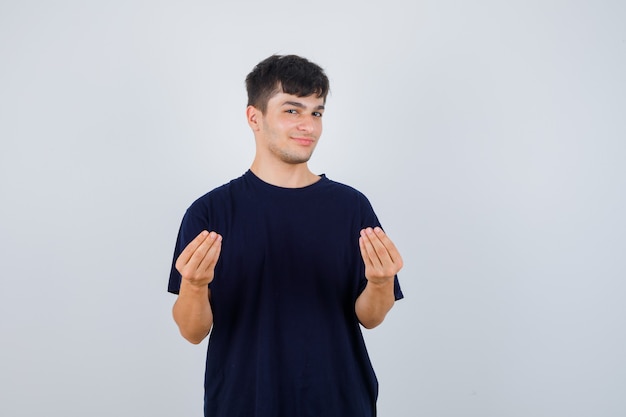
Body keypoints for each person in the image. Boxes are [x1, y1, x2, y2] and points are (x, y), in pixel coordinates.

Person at [168, 54, 404, 417]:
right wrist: (196, 286)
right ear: (254, 118)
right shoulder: (209, 213)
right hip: (244, 403)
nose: (308, 125)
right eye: (292, 110)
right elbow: (192, 331)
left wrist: (380, 281)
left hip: (340, 402)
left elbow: (370, 318)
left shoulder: (352, 207)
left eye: (317, 112)